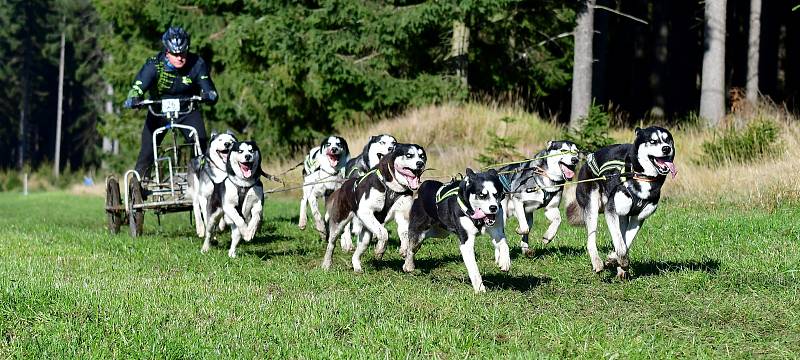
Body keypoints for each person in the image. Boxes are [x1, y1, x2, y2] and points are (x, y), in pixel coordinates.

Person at [123, 26, 218, 178]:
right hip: (158, 111)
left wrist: (210, 94)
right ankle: (138, 184)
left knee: (200, 145)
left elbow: (208, 88)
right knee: (147, 150)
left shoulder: (197, 63)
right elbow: (138, 85)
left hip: (187, 110)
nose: (180, 57)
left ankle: (204, 181)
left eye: (183, 53)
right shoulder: (154, 65)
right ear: (167, 52)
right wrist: (134, 97)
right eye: (175, 54)